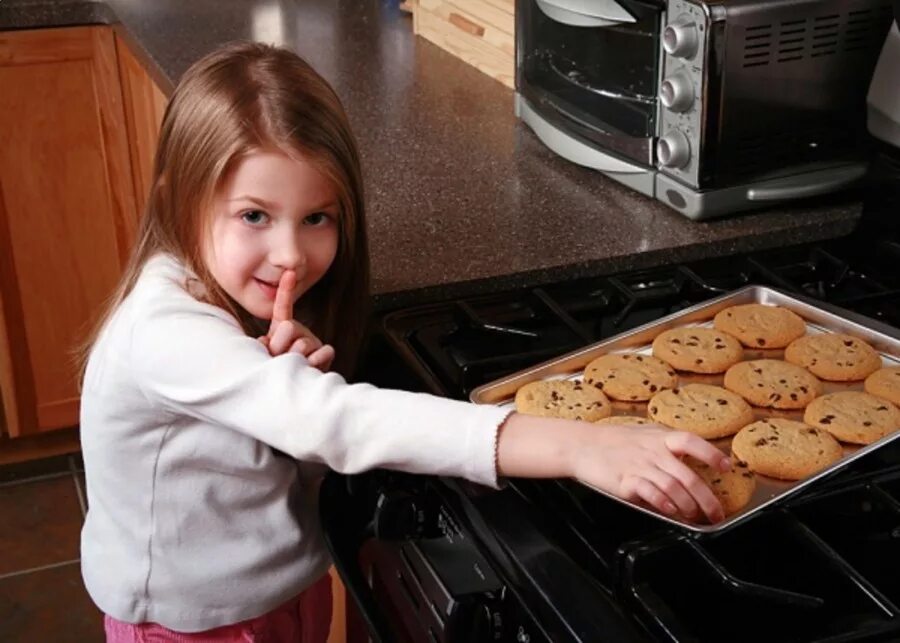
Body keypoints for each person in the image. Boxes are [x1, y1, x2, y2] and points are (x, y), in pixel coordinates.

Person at [78, 41, 731, 642]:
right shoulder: (162, 331)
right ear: (177, 199)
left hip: (282, 591)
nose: (291, 255)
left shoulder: (234, 298)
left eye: (317, 218)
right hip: (187, 625)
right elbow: (339, 421)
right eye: (254, 215)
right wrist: (578, 443)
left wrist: (279, 375)